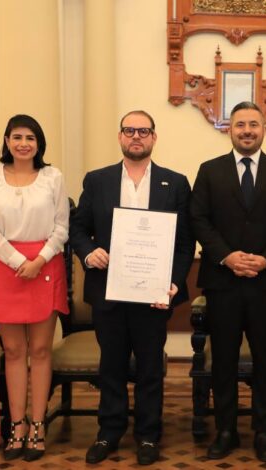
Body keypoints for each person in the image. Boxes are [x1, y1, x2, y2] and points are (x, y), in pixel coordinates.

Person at [70, 110, 195, 466]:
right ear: (120, 136)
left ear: (154, 137)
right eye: (129, 130)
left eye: (143, 131)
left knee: (150, 367)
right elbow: (78, 228)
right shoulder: (98, 180)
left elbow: (185, 243)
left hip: (154, 294)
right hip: (109, 291)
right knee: (110, 365)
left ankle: (148, 436)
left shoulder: (176, 182)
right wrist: (88, 251)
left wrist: (173, 282)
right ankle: (108, 432)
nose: (136, 136)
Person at [189, 101, 266, 463]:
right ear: (229, 130)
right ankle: (226, 430)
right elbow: (199, 220)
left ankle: (264, 433)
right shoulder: (209, 171)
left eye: (254, 124)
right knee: (222, 360)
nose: (247, 130)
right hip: (222, 282)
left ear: (264, 129)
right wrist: (227, 256)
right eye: (240, 125)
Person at [0, 114, 70, 462]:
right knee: (14, 351)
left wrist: (39, 259)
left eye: (30, 138)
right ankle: (16, 424)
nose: (23, 144)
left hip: (45, 265)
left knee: (42, 350)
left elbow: (62, 226)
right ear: (6, 141)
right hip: (6, 267)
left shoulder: (52, 177)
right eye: (16, 137)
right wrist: (17, 260)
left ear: (39, 143)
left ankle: (38, 424)